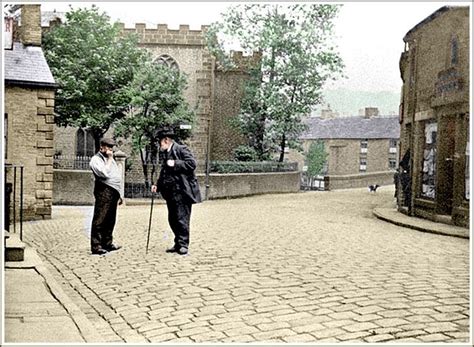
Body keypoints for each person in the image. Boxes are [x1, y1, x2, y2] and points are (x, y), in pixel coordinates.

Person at [151, 128, 201, 255]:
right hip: (171, 193)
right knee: (172, 219)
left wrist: (175, 163)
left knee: (182, 218)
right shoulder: (166, 153)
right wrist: (157, 185)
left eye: (160, 142)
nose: (159, 145)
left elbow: (192, 164)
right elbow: (164, 173)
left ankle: (184, 244)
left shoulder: (181, 149)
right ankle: (178, 243)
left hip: (182, 192)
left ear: (166, 140)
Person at [89, 138, 123, 255]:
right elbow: (104, 173)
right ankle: (96, 246)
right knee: (100, 218)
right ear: (101, 147)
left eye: (111, 148)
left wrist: (120, 194)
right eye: (107, 147)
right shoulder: (95, 160)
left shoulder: (110, 159)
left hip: (113, 191)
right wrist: (109, 158)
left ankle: (107, 243)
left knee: (110, 219)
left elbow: (116, 175)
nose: (109, 150)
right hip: (103, 190)